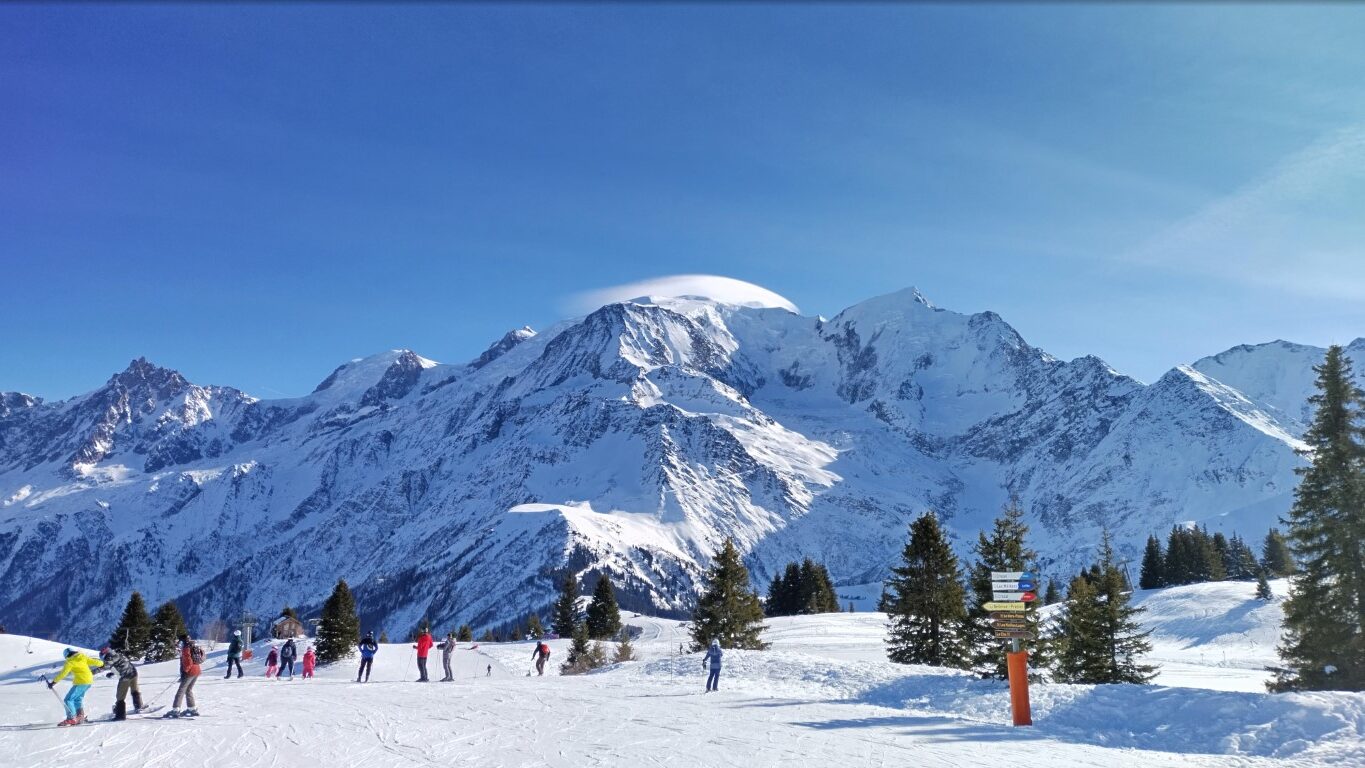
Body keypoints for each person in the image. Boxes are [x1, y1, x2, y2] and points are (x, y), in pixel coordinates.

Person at [48, 647, 103, 726]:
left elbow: (63, 674)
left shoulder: (70, 662)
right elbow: (97, 662)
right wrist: (101, 663)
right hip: (89, 681)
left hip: (81, 682)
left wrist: (53, 682)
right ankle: (80, 716)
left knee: (68, 699)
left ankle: (71, 718)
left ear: (66, 655)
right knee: (77, 699)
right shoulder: (83, 657)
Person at [99, 646, 143, 720]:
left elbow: (103, 667)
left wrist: (90, 672)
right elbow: (122, 665)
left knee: (120, 697)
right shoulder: (119, 654)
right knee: (134, 691)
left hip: (125, 677)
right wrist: (112, 673)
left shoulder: (109, 658)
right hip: (133, 673)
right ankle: (138, 706)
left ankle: (120, 716)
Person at [167, 633, 201, 718]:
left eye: (180, 641)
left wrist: (185, 672)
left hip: (189, 672)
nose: (179, 642)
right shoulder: (193, 645)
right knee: (188, 690)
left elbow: (188, 662)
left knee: (181, 691)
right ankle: (192, 708)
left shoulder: (186, 648)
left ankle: (175, 710)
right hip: (196, 671)